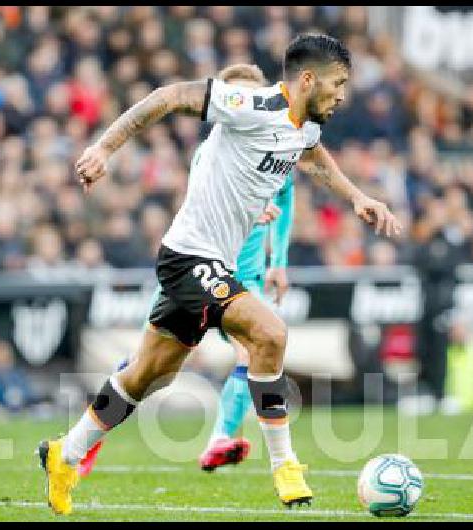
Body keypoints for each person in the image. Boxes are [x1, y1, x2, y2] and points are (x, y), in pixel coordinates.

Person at [38, 34, 401, 515]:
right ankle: (286, 466)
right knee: (269, 332)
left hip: (209, 264)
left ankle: (67, 454)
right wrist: (104, 149)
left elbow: (311, 154)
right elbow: (168, 97)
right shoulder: (253, 105)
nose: (341, 95)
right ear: (307, 79)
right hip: (189, 258)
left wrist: (356, 197)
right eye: (337, 84)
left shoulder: (304, 128)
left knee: (147, 376)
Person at [77, 64, 295, 478]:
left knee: (252, 350)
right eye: (238, 95)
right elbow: (206, 197)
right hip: (198, 268)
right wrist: (250, 210)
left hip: (244, 274)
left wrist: (278, 262)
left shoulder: (280, 147)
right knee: (150, 369)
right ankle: (89, 440)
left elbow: (288, 199)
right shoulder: (212, 152)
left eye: (255, 95)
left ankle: (219, 441)